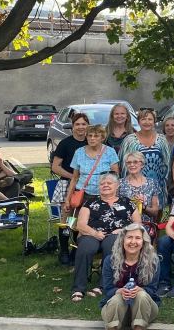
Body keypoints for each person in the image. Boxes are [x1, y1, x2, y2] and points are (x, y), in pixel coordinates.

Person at [71, 173, 141, 301]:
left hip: (117, 234)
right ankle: (78, 288)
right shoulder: (90, 202)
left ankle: (103, 286)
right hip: (91, 233)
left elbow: (138, 224)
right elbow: (80, 224)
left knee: (112, 245)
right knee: (86, 248)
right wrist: (95, 233)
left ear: (117, 185)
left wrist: (123, 230)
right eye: (102, 183)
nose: (105, 185)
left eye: (109, 183)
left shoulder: (126, 202)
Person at [98, 223, 160, 330]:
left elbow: (153, 290)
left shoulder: (153, 261)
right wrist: (119, 291)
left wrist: (141, 289)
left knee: (141, 295)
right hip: (118, 310)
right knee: (117, 297)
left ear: (143, 241)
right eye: (129, 237)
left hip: (145, 309)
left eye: (138, 238)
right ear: (122, 240)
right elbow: (107, 290)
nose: (133, 242)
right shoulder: (110, 260)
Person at [51, 110, 90, 263]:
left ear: (88, 126)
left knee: (80, 218)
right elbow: (55, 167)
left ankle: (76, 250)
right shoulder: (65, 143)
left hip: (86, 186)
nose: (81, 127)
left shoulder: (92, 141)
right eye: (77, 124)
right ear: (72, 126)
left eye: (84, 124)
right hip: (68, 184)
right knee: (67, 219)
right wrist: (73, 177)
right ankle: (64, 250)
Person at [119, 107, 171, 210]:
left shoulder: (162, 140)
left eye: (150, 119)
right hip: (134, 186)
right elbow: (123, 165)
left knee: (156, 214)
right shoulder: (129, 140)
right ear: (138, 122)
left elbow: (167, 163)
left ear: (154, 122)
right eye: (143, 119)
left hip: (158, 185)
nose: (147, 122)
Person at [67, 126, 121, 207]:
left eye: (96, 136)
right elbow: (74, 178)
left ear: (102, 138)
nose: (92, 138)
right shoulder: (79, 152)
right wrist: (68, 199)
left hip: (105, 194)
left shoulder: (110, 151)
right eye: (90, 135)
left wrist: (115, 197)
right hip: (83, 194)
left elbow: (115, 177)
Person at [118, 151, 161, 235]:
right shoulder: (120, 183)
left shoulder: (152, 183)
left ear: (142, 164)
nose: (132, 165)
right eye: (129, 163)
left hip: (145, 226)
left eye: (135, 162)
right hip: (125, 225)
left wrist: (143, 206)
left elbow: (155, 212)